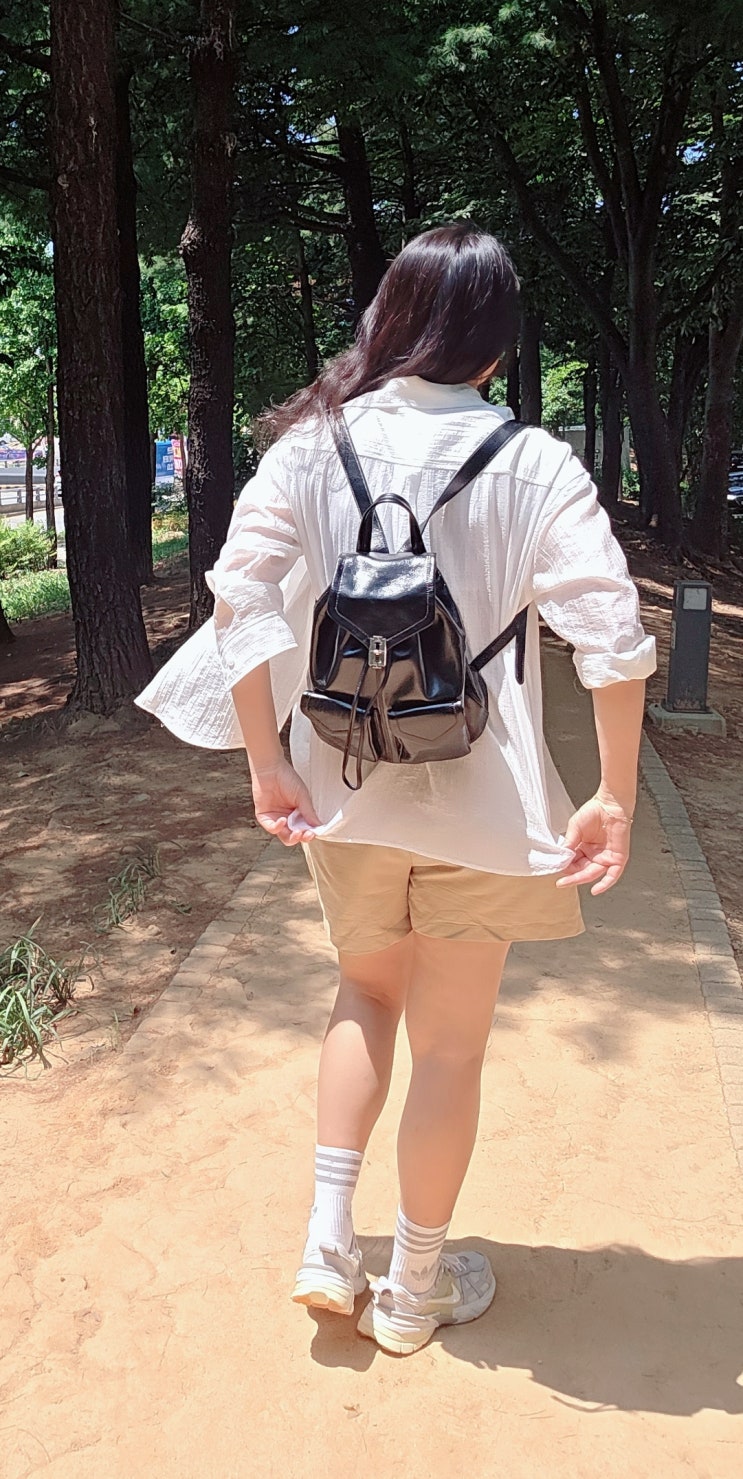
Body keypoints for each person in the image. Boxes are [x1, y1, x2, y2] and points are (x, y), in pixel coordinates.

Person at [136, 223, 656, 1358]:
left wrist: (268, 761)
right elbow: (610, 639)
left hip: (341, 788)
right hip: (488, 806)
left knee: (363, 995)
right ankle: (415, 1288)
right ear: (496, 344)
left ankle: (329, 1240)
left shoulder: (314, 446)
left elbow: (238, 600)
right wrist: (611, 791)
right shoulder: (534, 461)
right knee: (451, 1048)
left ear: (388, 320)